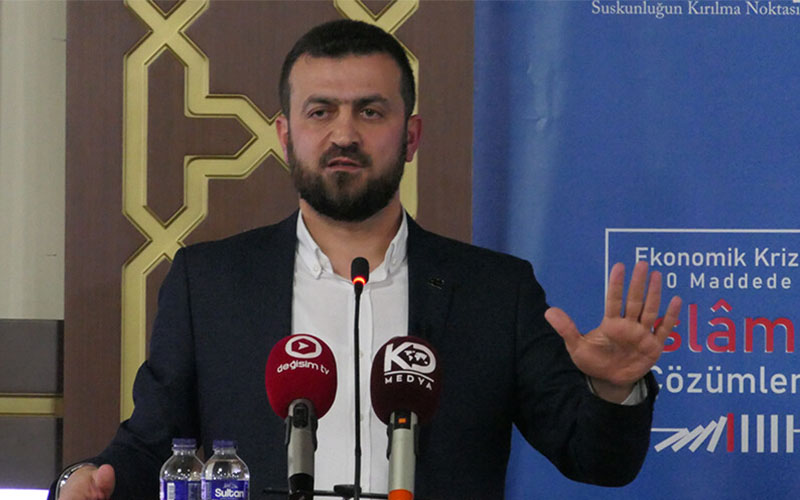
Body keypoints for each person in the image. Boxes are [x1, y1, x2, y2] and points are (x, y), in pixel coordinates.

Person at [54, 19, 681, 500]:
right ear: (285, 135)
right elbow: (152, 447)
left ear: (411, 136)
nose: (344, 134)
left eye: (370, 111)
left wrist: (612, 390)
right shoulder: (209, 283)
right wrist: (81, 482)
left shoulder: (497, 292)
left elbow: (597, 463)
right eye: (320, 111)